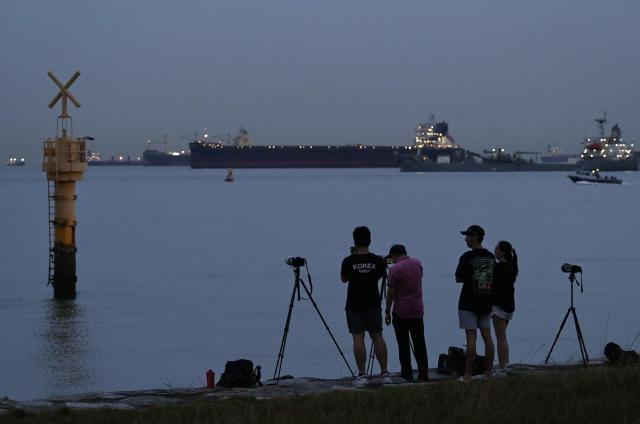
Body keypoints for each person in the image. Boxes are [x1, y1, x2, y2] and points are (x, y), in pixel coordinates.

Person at [341, 226, 392, 386]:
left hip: (354, 303)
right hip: (372, 303)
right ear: (370, 240)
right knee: (377, 336)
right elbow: (381, 275)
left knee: (358, 337)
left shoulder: (348, 261)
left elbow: (344, 279)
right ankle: (385, 373)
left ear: (354, 242)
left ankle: (362, 375)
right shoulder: (377, 260)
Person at [455, 225, 495, 380]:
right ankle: (489, 372)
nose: (465, 239)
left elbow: (458, 278)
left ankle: (467, 374)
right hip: (486, 300)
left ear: (475, 237)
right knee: (487, 336)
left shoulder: (466, 257)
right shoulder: (491, 257)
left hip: (468, 301)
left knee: (471, 339)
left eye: (468, 236)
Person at [384, 244, 429, 381]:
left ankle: (407, 373)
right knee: (419, 342)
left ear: (393, 256)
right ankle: (423, 373)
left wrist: (387, 311)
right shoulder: (417, 263)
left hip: (401, 312)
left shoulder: (394, 270)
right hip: (417, 310)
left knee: (403, 344)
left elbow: (391, 293)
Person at [491, 240, 518, 376]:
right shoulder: (512, 266)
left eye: (496, 249)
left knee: (500, 337)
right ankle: (505, 364)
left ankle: (503, 366)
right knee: (503, 337)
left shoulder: (499, 267)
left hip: (499, 305)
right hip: (509, 304)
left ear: (501, 252)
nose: (494, 251)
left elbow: (493, 285)